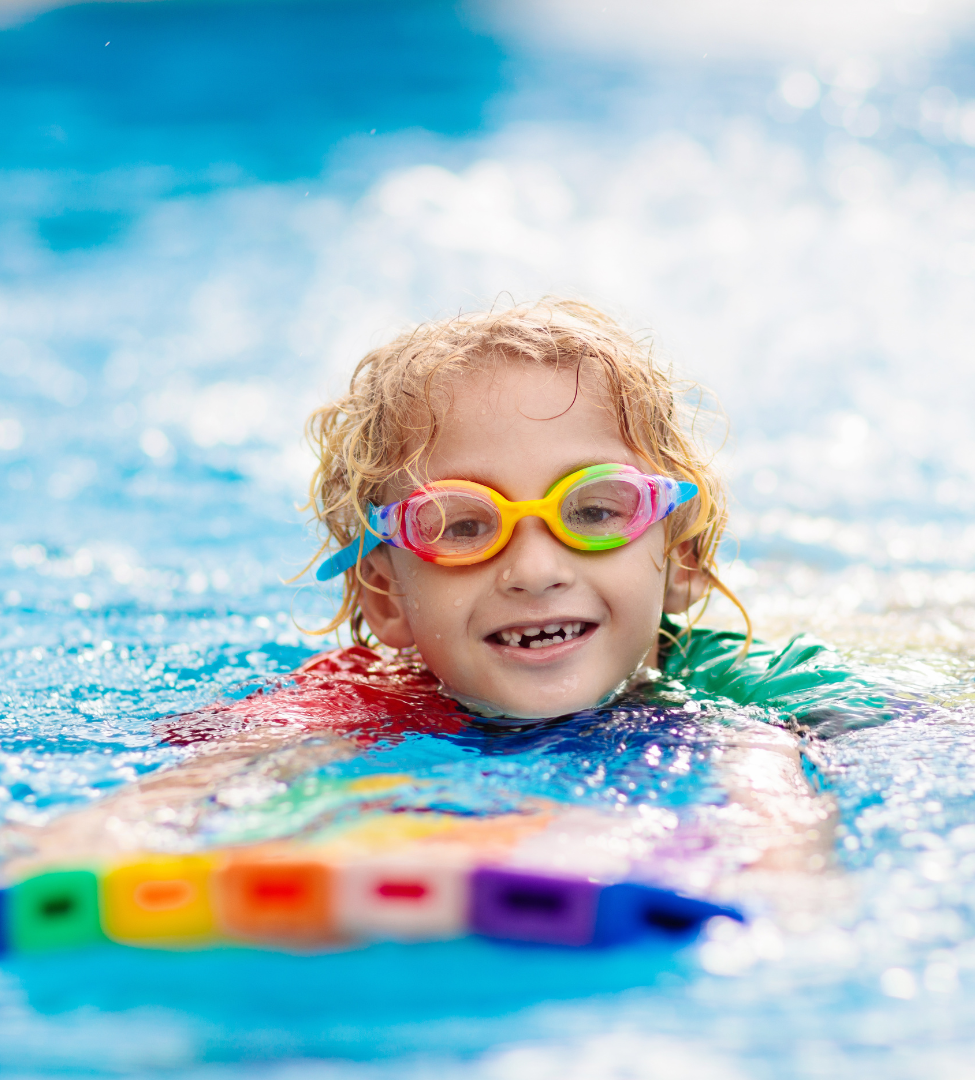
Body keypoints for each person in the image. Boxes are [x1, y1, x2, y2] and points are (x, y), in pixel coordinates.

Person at [2, 300, 880, 889]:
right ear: (387, 596)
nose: (535, 568)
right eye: (462, 525)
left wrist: (776, 883)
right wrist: (65, 857)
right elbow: (183, 792)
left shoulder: (752, 699)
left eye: (594, 511)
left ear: (679, 557)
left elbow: (780, 814)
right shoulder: (359, 700)